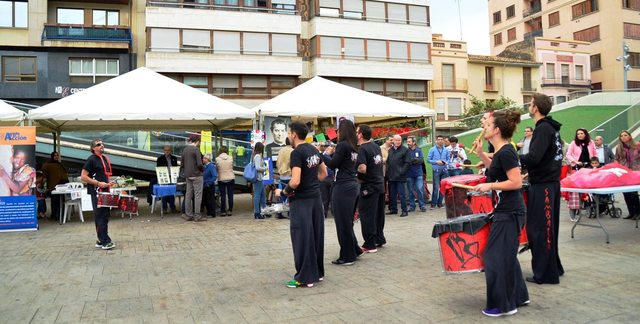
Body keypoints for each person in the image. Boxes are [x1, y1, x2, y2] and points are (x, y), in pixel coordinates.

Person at [473, 109, 529, 317]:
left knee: (494, 257)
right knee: (506, 256)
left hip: (510, 212)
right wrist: (480, 154)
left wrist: (490, 187)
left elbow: (516, 182)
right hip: (506, 210)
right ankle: (520, 296)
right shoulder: (500, 152)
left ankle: (503, 305)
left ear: (496, 130)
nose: (484, 128)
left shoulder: (506, 151)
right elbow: (495, 170)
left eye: (487, 125)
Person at [519, 93, 564, 285]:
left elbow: (534, 158)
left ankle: (545, 274)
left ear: (535, 108)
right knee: (548, 229)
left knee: (540, 231)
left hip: (544, 185)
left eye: (530, 104)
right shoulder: (550, 128)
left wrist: (510, 156)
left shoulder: (543, 129)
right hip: (550, 184)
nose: (529, 106)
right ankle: (554, 267)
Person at [276, 122, 327, 288]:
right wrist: (311, 182)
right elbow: (323, 173)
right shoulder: (313, 149)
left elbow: (295, 180)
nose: (288, 136)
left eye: (289, 133)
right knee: (316, 236)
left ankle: (304, 277)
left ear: (294, 134)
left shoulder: (296, 153)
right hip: (315, 199)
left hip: (302, 201)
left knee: (302, 238)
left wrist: (283, 192)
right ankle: (317, 273)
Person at [321, 119, 361, 264]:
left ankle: (347, 256)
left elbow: (332, 164)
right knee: (347, 222)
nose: (336, 133)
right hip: (352, 185)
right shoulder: (354, 146)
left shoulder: (343, 145)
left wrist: (321, 154)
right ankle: (355, 249)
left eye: (338, 130)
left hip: (343, 187)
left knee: (342, 223)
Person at [80, 139, 115, 250]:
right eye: (98, 144)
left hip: (104, 191)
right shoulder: (91, 160)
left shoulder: (104, 158)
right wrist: (98, 183)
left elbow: (103, 175)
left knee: (104, 215)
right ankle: (105, 241)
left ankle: (101, 240)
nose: (101, 145)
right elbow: (83, 176)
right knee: (101, 216)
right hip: (96, 192)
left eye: (102, 144)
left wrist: (109, 183)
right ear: (93, 148)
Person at [356, 124, 386, 251]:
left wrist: (356, 173)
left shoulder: (362, 149)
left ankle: (369, 244)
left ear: (361, 134)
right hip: (380, 184)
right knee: (379, 214)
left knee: (367, 215)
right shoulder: (376, 147)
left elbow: (363, 167)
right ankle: (379, 238)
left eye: (357, 132)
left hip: (369, 186)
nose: (355, 134)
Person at [565, 128, 597, 219]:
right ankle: (574, 210)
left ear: (585, 134)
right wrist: (575, 161)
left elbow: (595, 153)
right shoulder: (573, 143)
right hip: (577, 167)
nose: (580, 135)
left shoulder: (590, 142)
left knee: (589, 188)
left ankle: (589, 205)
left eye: (581, 133)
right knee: (576, 190)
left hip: (588, 167)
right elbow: (568, 154)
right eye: (578, 134)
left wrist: (595, 163)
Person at [614, 130, 640, 220]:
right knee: (626, 193)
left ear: (629, 136)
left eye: (625, 135)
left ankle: (638, 212)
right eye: (622, 136)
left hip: (635, 171)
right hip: (624, 171)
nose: (623, 137)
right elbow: (616, 158)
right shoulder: (619, 147)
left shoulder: (637, 145)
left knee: (633, 193)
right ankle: (631, 213)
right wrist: (617, 168)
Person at [181, 134, 205, 222]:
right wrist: (202, 170)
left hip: (188, 175)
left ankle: (188, 214)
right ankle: (197, 215)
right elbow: (199, 163)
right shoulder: (196, 150)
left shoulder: (185, 150)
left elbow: (182, 164)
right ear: (197, 141)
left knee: (188, 194)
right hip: (197, 175)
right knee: (198, 195)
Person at [386, 135, 411, 217]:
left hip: (400, 176)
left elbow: (408, 163)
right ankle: (393, 209)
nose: (397, 142)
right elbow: (389, 162)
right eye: (396, 140)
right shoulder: (390, 150)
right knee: (392, 194)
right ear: (393, 141)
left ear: (401, 141)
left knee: (402, 195)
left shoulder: (405, 150)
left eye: (399, 140)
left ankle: (404, 211)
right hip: (391, 176)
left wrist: (402, 172)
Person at [41, 151, 68, 220]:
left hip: (61, 185)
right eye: (55, 155)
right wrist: (42, 184)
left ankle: (60, 214)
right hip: (53, 186)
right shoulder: (47, 165)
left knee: (61, 201)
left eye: (57, 155)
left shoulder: (59, 164)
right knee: (54, 201)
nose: (56, 157)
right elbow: (44, 175)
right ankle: (55, 215)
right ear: (52, 156)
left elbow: (63, 174)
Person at [427, 135, 451, 209]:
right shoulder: (432, 149)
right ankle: (433, 204)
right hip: (436, 170)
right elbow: (428, 160)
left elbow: (449, 159)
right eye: (438, 139)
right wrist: (436, 162)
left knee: (443, 187)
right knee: (436, 187)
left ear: (444, 141)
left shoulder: (446, 150)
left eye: (441, 139)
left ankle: (439, 203)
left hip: (444, 170)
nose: (440, 141)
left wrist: (445, 162)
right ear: (436, 141)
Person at [405, 136, 426, 212]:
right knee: (410, 191)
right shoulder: (406, 151)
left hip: (418, 174)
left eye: (409, 141)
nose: (408, 143)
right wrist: (414, 160)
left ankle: (422, 205)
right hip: (409, 174)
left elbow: (420, 161)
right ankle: (412, 206)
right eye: (407, 141)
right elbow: (407, 161)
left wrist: (412, 160)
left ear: (414, 142)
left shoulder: (419, 150)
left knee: (419, 189)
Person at [157, 145, 178, 213]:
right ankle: (164, 208)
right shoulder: (160, 159)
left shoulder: (174, 158)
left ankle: (172, 208)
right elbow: (159, 169)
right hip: (164, 178)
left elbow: (176, 168)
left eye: (168, 150)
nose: (167, 152)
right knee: (164, 193)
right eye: (165, 150)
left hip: (172, 177)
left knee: (172, 193)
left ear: (171, 151)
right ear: (163, 151)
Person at [276, 138, 294, 219]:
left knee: (283, 194)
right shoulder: (292, 151)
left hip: (282, 175)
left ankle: (279, 212)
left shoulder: (280, 151)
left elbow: (277, 163)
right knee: (291, 194)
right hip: (290, 175)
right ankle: (291, 213)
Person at [216, 146, 234, 216]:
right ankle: (230, 210)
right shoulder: (231, 158)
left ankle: (223, 211)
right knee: (230, 195)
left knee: (223, 195)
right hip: (230, 177)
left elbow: (217, 168)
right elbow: (232, 166)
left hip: (221, 178)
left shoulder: (217, 159)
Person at [252, 142, 268, 220]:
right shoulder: (258, 156)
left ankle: (263, 210)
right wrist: (265, 168)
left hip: (259, 178)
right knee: (258, 195)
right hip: (258, 178)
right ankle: (257, 212)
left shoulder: (255, 156)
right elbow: (258, 167)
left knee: (262, 194)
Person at [319, 143, 335, 218]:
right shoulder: (322, 155)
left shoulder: (334, 155)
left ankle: (333, 212)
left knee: (332, 197)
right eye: (329, 147)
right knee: (324, 197)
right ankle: (324, 213)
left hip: (332, 179)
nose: (331, 148)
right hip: (324, 179)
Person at [201, 153, 218, 218]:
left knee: (210, 200)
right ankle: (208, 212)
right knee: (206, 199)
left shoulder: (211, 166)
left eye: (204, 158)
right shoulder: (205, 166)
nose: (203, 159)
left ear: (208, 159)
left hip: (209, 186)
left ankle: (212, 213)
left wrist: (208, 183)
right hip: (205, 185)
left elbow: (214, 176)